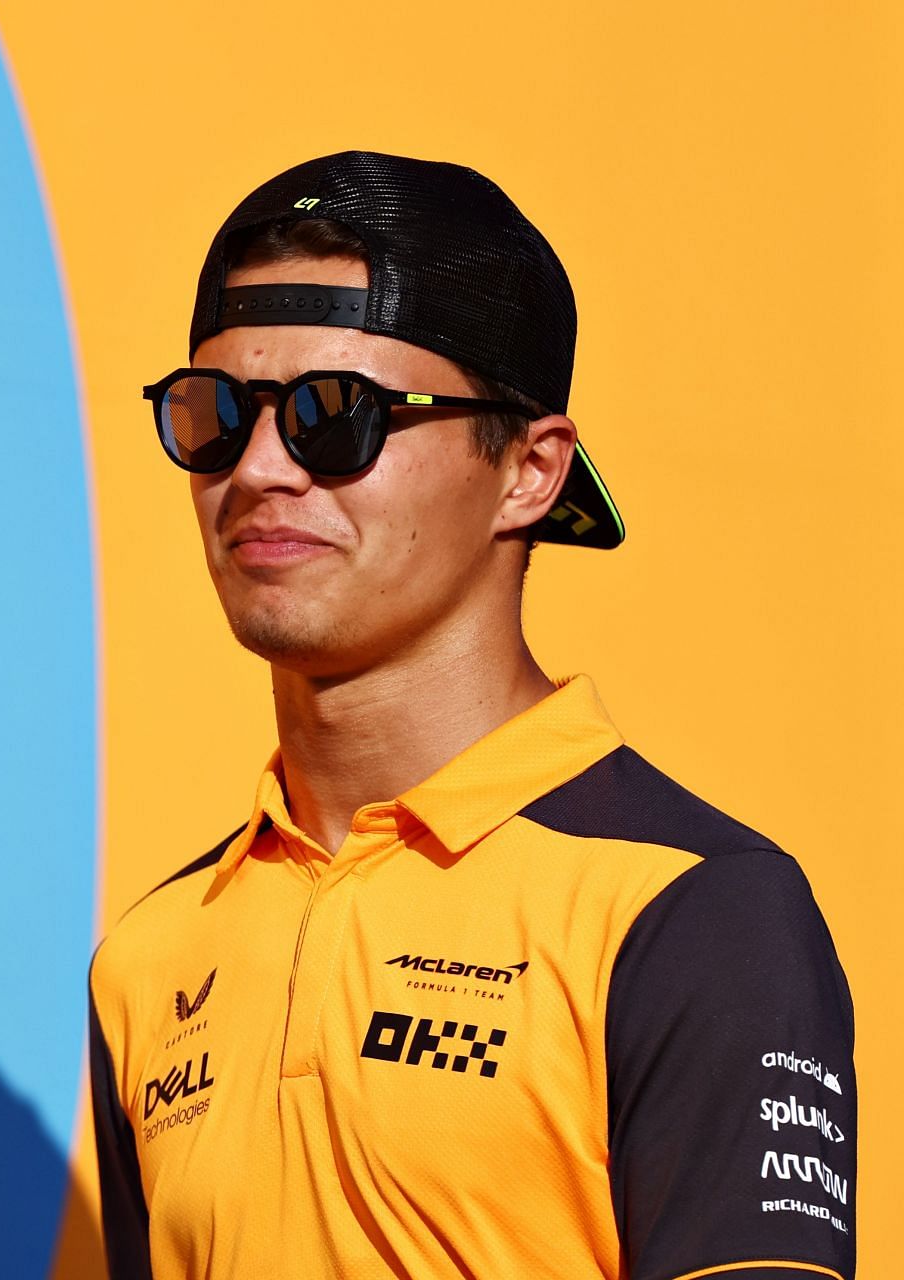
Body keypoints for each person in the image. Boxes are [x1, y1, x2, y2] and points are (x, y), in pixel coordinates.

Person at [87, 150, 856, 1280]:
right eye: (212, 415)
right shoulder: (149, 959)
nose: (257, 469)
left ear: (531, 472)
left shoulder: (689, 907)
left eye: (331, 415)